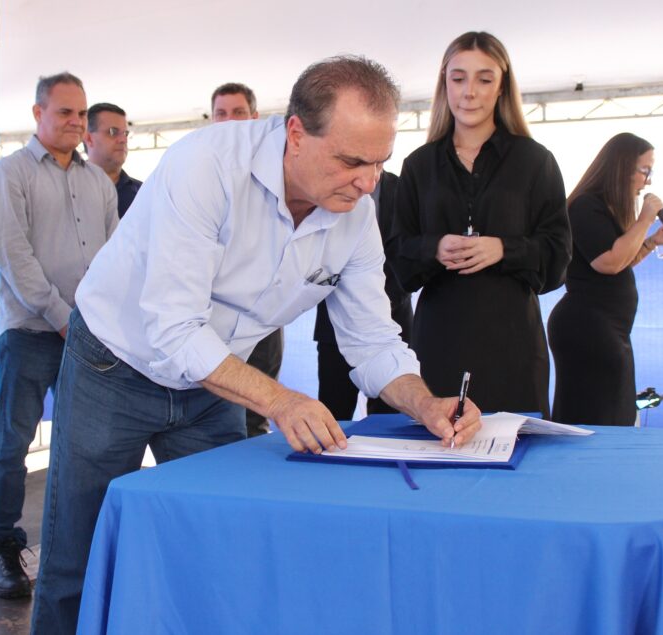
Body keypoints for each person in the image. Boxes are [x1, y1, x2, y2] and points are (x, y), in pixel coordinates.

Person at [30, 56, 482, 634]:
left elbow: (372, 340)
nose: (368, 182)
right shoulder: (206, 166)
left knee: (215, 546)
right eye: (350, 161)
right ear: (296, 133)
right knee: (79, 552)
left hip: (213, 379)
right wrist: (282, 401)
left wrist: (427, 405)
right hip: (113, 366)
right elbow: (174, 329)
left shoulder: (357, 213)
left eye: (379, 163)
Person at [0, 72, 118, 600]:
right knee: (12, 446)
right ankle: (3, 548)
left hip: (89, 336)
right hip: (31, 333)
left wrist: (96, 321)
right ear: (37, 114)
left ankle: (77, 546)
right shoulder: (9, 175)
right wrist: (65, 316)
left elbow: (112, 259)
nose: (75, 123)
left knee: (86, 447)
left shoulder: (97, 182)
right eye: (64, 112)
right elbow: (15, 260)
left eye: (81, 114)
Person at [386, 31, 571, 418]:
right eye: (458, 78)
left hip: (513, 344)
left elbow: (558, 257)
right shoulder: (418, 166)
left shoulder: (536, 161)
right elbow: (398, 260)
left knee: (516, 457)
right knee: (436, 453)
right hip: (439, 341)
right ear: (445, 84)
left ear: (502, 87)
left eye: (484, 79)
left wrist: (504, 248)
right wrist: (434, 248)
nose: (469, 92)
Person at [547, 133, 663, 427]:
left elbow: (623, 261)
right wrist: (645, 219)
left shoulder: (604, 208)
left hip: (608, 327)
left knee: (615, 411)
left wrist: (652, 241)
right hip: (588, 327)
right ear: (622, 167)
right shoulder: (585, 206)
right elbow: (608, 262)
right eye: (644, 170)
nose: (647, 181)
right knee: (599, 415)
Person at [210, 81, 284, 437]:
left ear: (255, 118)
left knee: (255, 417)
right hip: (208, 326)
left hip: (262, 320)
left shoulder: (277, 173)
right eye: (221, 114)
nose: (230, 122)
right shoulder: (199, 176)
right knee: (217, 420)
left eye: (238, 113)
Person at [314, 169, 413, 419]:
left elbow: (409, 248)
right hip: (333, 325)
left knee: (389, 418)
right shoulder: (325, 190)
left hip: (394, 313)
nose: (367, 184)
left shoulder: (400, 188)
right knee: (334, 412)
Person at [83, 102, 141, 218]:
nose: (123, 139)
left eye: (125, 133)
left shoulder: (143, 193)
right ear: (88, 138)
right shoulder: (68, 190)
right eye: (113, 132)